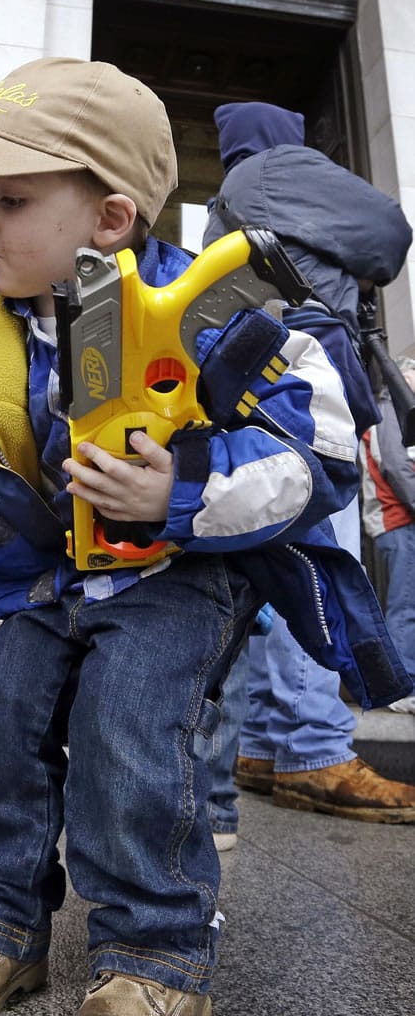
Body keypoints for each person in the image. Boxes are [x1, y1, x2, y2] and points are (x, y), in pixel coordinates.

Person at [0, 58, 410, 1016]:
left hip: (176, 576)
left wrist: (181, 488)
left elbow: (313, 454)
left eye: (12, 202)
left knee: (130, 735)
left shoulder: (213, 312)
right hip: (42, 581)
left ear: (110, 219)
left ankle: (152, 951)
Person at [203, 101, 415, 838]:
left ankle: (263, 747)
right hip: (310, 388)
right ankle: (311, 751)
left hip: (254, 388)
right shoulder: (281, 167)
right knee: (319, 563)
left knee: (269, 568)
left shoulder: (222, 202)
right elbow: (389, 233)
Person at [360, 361, 415, 713]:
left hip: (395, 523)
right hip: (398, 522)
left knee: (404, 605)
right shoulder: (390, 411)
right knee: (405, 607)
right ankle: (402, 687)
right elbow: (396, 467)